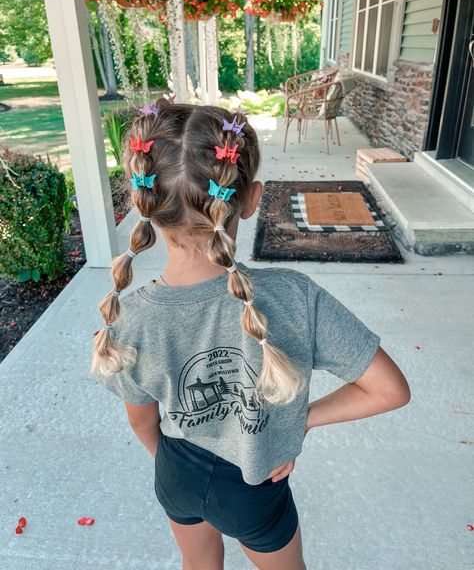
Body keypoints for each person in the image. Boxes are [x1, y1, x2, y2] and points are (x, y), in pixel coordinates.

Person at [91, 99, 411, 570]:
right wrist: (300, 422)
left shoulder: (129, 315)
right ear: (254, 197)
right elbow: (390, 391)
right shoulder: (294, 296)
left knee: (198, 563)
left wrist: (180, 461)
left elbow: (143, 424)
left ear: (147, 205)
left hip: (175, 470)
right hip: (253, 483)